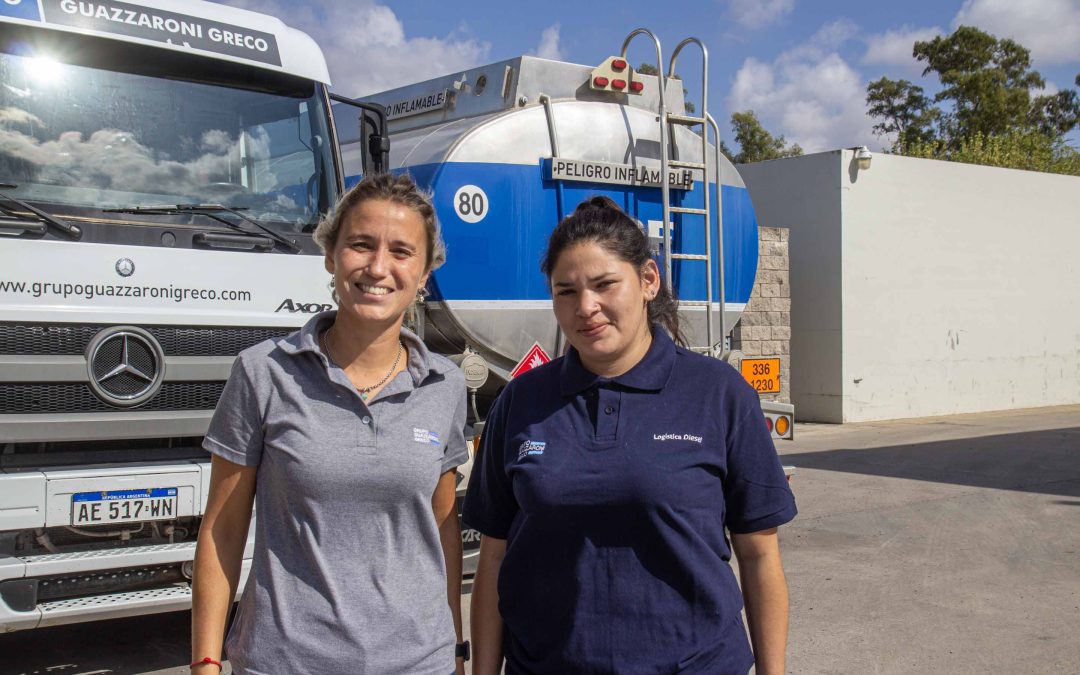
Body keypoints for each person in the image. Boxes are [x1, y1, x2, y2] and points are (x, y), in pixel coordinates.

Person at [464, 196, 797, 675]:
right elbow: (493, 558)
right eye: (566, 291)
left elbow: (760, 555)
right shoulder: (523, 401)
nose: (586, 307)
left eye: (604, 285)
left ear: (647, 281)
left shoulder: (718, 394)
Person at [191, 173, 470, 675]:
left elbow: (443, 527)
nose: (378, 267)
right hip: (286, 661)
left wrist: (454, 648)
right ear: (330, 255)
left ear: (426, 271)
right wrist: (206, 661)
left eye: (402, 252)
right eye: (360, 245)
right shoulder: (264, 372)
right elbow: (223, 529)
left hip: (416, 663)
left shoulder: (443, 385)